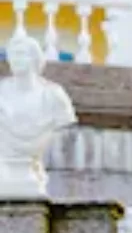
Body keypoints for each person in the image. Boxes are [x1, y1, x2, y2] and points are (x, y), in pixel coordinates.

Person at [0, 35, 77, 198]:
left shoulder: (54, 95)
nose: (15, 60)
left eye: (21, 54)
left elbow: (64, 123)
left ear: (34, 58)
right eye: (12, 55)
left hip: (33, 168)